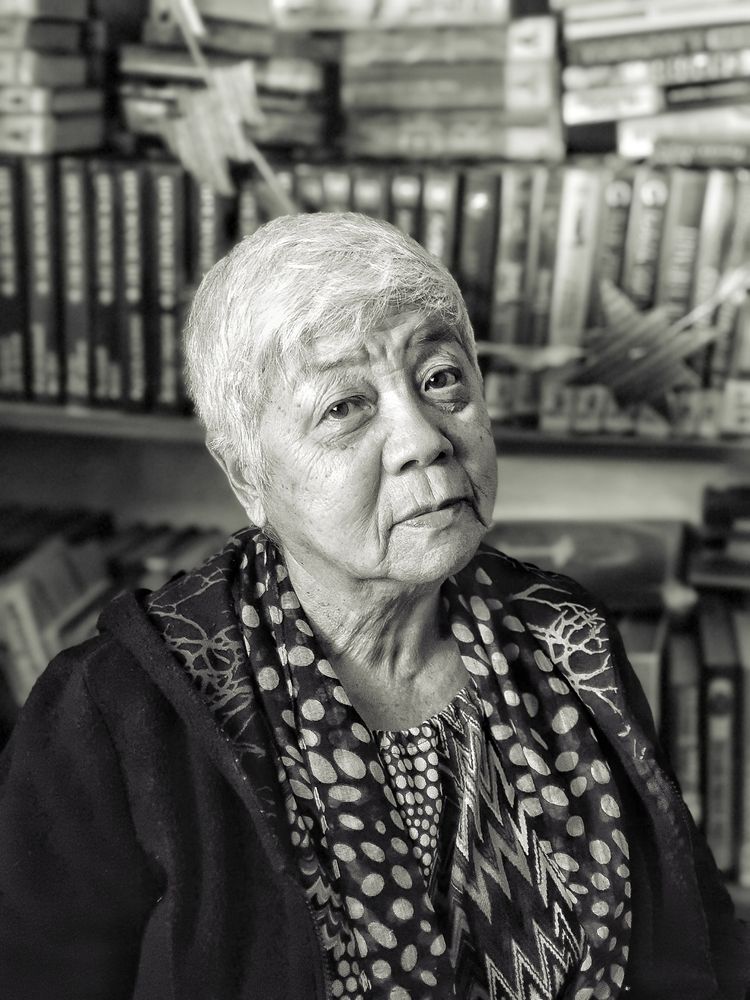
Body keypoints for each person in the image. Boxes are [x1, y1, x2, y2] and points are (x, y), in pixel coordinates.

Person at [0, 212, 747, 1000]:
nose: (424, 439)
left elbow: (697, 944)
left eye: (441, 378)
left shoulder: (566, 638)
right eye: (343, 407)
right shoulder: (112, 713)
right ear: (246, 474)